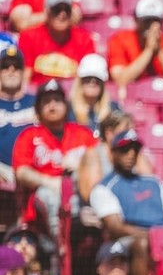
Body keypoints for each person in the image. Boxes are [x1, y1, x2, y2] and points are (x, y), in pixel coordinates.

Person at [87, 129, 163, 275]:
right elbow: (115, 227)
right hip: (128, 239)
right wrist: (153, 236)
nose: (131, 154)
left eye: (135, 150)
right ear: (113, 153)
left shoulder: (153, 182)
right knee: (141, 243)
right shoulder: (104, 187)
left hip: (161, 235)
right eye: (124, 150)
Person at [12, 80, 95, 253]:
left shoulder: (83, 134)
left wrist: (81, 167)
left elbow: (100, 164)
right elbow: (22, 172)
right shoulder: (29, 135)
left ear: (66, 105)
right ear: (38, 109)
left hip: (80, 203)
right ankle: (60, 244)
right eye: (46, 101)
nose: (52, 106)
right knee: (47, 194)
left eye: (57, 100)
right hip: (40, 220)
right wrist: (51, 182)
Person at [105, 0, 163, 90]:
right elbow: (120, 79)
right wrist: (148, 51)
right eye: (146, 21)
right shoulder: (119, 40)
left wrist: (159, 51)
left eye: (154, 21)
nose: (150, 26)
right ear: (136, 20)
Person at [17, 0, 95, 87]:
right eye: (57, 9)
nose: (62, 14)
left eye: (66, 9)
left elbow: (88, 81)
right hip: (37, 96)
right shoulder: (29, 37)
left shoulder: (84, 40)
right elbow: (25, 77)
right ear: (47, 12)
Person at [0, 45, 35, 186]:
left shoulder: (38, 102)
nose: (11, 71)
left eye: (16, 66)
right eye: (5, 67)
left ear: (23, 72)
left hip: (33, 171)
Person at [68, 54, 117, 136]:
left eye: (97, 79)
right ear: (80, 81)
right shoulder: (68, 110)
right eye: (87, 78)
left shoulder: (114, 109)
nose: (92, 82)